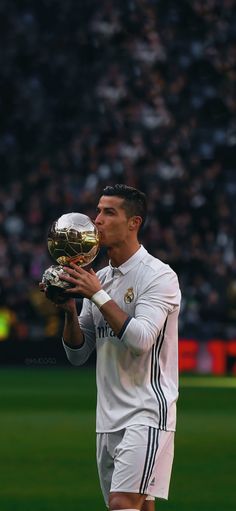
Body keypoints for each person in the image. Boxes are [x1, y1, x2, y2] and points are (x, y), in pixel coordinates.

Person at [41, 184, 181, 511]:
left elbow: (141, 340)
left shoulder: (158, 276)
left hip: (146, 411)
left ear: (134, 223)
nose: (97, 220)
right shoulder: (101, 277)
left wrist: (97, 296)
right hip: (107, 417)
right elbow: (78, 354)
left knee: (122, 504)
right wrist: (70, 311)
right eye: (98, 210)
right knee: (137, 506)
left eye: (109, 212)